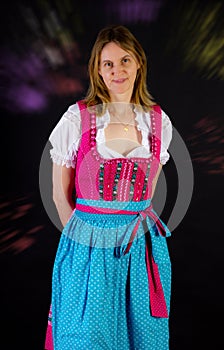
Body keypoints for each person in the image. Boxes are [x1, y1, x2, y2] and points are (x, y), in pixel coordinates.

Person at [44, 24, 173, 350]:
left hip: (141, 249)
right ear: (98, 71)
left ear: (139, 63)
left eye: (125, 60)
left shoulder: (158, 122)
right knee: (87, 338)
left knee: (143, 338)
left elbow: (147, 196)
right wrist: (82, 246)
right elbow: (60, 196)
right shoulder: (77, 119)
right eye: (108, 64)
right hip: (89, 245)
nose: (118, 71)